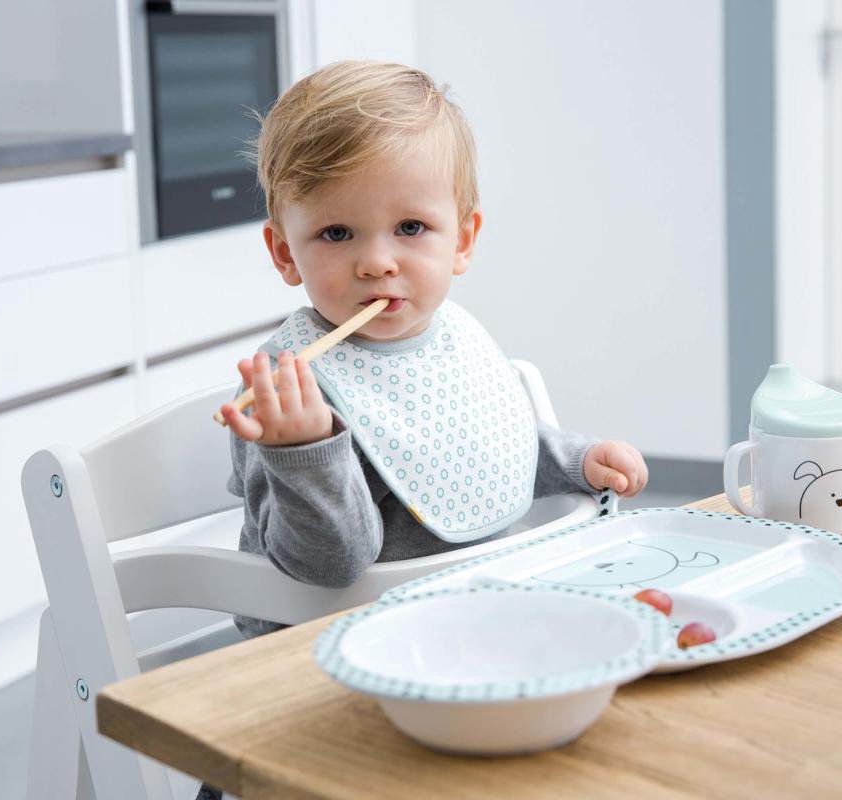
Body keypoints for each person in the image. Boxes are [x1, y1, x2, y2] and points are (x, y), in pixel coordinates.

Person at [203, 59, 649, 800]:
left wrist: (576, 462)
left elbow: (489, 448)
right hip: (320, 681)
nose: (378, 262)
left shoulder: (455, 339)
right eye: (337, 233)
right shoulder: (286, 389)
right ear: (285, 252)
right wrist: (303, 451)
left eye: (412, 227)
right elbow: (332, 565)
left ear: (462, 240)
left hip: (459, 652)